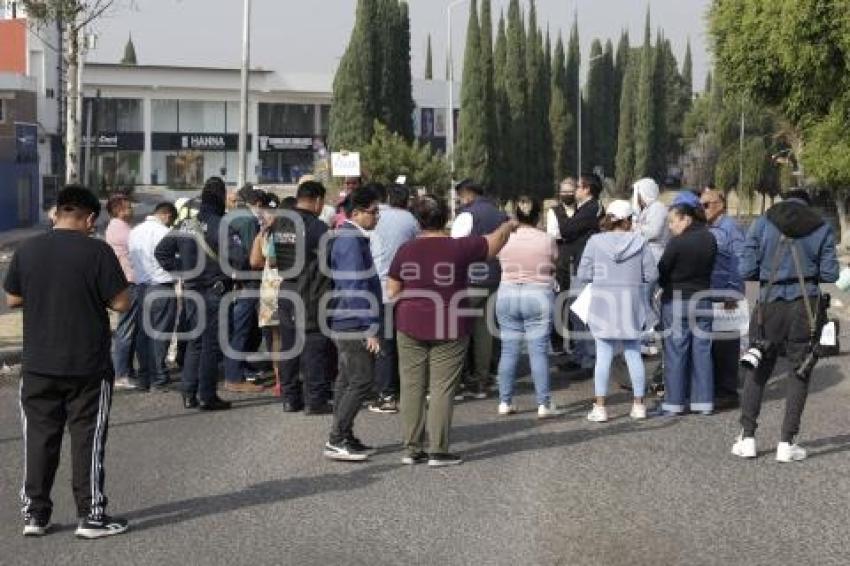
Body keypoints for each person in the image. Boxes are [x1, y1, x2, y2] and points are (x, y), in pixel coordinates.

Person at [4, 185, 130, 539]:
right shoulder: (97, 251)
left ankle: (36, 515)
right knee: (87, 439)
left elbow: (12, 298)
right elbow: (121, 303)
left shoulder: (28, 249)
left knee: (39, 439)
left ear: (57, 212)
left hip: (38, 363)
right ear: (89, 218)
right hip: (86, 364)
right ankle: (90, 516)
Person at [388, 195, 518, 467]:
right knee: (442, 387)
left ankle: (412, 449)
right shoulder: (460, 247)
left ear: (418, 221)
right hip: (450, 322)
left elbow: (393, 289)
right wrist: (507, 226)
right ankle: (438, 449)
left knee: (411, 386)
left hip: (410, 321)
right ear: (445, 218)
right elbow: (494, 245)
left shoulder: (406, 250)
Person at [732, 189, 839, 462]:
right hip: (806, 307)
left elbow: (746, 270)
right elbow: (830, 274)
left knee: (758, 369)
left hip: (768, 304)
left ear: (783, 201)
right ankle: (786, 443)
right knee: (799, 372)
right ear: (807, 203)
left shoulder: (761, 222)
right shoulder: (821, 226)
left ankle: (747, 438)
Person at [155, 176, 244, 411]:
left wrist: (182, 270)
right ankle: (207, 395)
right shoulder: (222, 225)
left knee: (195, 342)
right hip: (215, 291)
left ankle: (188, 393)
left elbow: (161, 252)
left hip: (191, 291)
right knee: (211, 345)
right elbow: (240, 259)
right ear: (220, 198)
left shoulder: (184, 224)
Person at [577, 200, 659, 422]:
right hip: (630, 302)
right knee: (633, 353)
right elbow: (651, 275)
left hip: (603, 302)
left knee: (603, 355)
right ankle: (639, 405)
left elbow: (583, 274)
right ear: (627, 220)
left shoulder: (595, 242)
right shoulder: (640, 242)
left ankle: (600, 407)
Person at [323, 185, 383, 462]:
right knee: (361, 380)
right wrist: (370, 326)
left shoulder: (349, 236)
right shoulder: (349, 240)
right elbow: (354, 286)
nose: (377, 216)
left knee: (347, 380)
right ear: (357, 213)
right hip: (352, 320)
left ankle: (344, 435)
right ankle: (337, 439)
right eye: (374, 211)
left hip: (347, 318)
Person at [269, 181, 335, 414]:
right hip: (309, 291)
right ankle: (315, 400)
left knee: (289, 346)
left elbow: (274, 258)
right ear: (317, 200)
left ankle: (290, 398)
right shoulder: (317, 227)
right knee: (314, 344)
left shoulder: (281, 222)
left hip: (285, 288)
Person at [494, 196, 562, 418]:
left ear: (515, 215)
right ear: (537, 216)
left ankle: (505, 401)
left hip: (507, 293)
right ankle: (543, 403)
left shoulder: (505, 238)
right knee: (539, 350)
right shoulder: (547, 239)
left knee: (509, 349)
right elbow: (554, 262)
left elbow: (496, 257)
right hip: (538, 294)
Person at [657, 194, 717, 416]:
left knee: (676, 351)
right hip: (703, 298)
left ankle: (674, 403)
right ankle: (704, 403)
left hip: (677, 299)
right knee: (702, 351)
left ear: (686, 219)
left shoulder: (678, 242)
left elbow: (662, 270)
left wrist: (665, 285)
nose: (671, 227)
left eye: (673, 221)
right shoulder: (710, 238)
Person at [450, 181, 508, 399]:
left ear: (467, 195)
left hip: (470, 278)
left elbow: (455, 247)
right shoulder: (499, 214)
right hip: (493, 276)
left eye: (459, 198)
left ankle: (455, 382)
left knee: (458, 329)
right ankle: (482, 382)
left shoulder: (467, 215)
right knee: (485, 329)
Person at [368, 183, 420, 414]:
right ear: (407, 200)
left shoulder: (376, 218)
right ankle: (410, 389)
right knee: (407, 341)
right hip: (406, 288)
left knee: (384, 343)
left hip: (379, 286)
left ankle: (386, 394)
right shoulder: (412, 221)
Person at [700, 188, 746, 410]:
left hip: (726, 294)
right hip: (712, 293)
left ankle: (728, 393)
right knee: (715, 344)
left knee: (726, 345)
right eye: (701, 204)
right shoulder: (710, 227)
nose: (703, 208)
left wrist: (733, 292)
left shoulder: (730, 228)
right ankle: (717, 388)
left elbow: (739, 260)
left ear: (721, 204)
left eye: (707, 204)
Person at [553, 174, 604, 372]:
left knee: (582, 314)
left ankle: (588, 360)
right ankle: (580, 356)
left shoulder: (590, 209)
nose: (574, 191)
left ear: (587, 189)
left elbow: (566, 230)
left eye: (578, 187)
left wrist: (559, 212)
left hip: (585, 266)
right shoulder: (585, 208)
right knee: (576, 314)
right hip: (580, 264)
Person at [128, 202, 179, 392]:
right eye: (171, 220)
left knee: (143, 334)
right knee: (160, 333)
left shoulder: (134, 231)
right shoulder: (164, 232)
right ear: (166, 215)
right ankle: (159, 378)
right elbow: (175, 259)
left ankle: (144, 377)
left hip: (141, 287)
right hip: (162, 287)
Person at [222, 185, 266, 393]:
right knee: (241, 330)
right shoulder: (248, 220)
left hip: (233, 279)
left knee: (238, 328)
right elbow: (254, 257)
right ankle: (233, 376)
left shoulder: (229, 216)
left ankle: (238, 368)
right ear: (256, 203)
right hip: (249, 281)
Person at [104, 193, 139, 390]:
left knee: (130, 328)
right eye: (128, 207)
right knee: (126, 329)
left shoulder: (122, 227)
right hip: (128, 282)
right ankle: (121, 373)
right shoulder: (119, 228)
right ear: (118, 210)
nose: (132, 209)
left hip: (129, 281)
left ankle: (126, 370)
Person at [547, 178, 578, 353]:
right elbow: (554, 234)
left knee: (576, 301)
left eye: (570, 191)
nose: (567, 195)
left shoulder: (582, 210)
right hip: (560, 258)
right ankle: (557, 342)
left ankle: (574, 340)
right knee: (560, 301)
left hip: (577, 257)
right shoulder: (554, 211)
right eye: (563, 191)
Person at [633, 177, 669, 264]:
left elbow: (653, 232)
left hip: (656, 255)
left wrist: (636, 227)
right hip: (647, 254)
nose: (637, 198)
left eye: (639, 194)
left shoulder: (657, 207)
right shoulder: (647, 209)